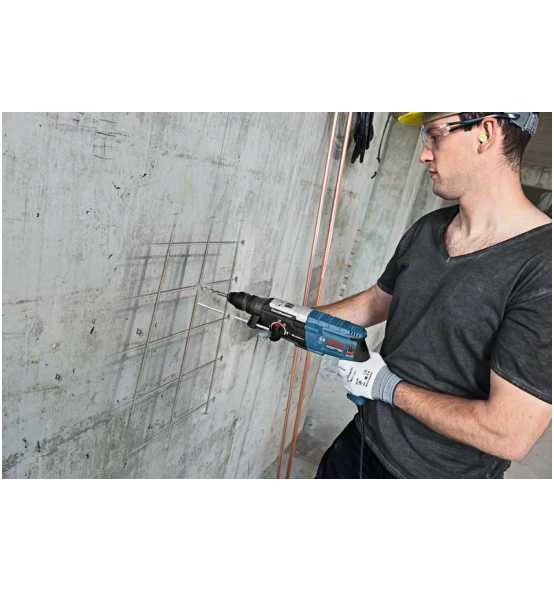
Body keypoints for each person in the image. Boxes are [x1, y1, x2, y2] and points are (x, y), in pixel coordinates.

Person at [316, 112, 552, 479]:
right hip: (362, 440)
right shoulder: (428, 229)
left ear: (486, 132)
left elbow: (508, 433)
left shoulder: (543, 265)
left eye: (436, 135)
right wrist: (300, 319)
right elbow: (378, 301)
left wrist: (386, 387)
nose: (424, 154)